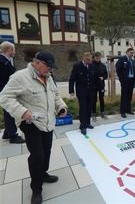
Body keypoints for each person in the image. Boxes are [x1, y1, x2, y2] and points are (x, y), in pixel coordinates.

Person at [0, 51, 68, 204]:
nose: (51, 70)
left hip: (48, 122)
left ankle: (43, 174)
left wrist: (61, 107)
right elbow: (4, 97)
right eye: (48, 67)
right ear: (37, 63)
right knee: (37, 156)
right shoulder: (20, 77)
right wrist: (22, 112)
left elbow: (55, 95)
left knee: (46, 152)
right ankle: (36, 189)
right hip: (31, 124)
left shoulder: (49, 77)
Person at [0, 41, 25, 144]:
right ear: (10, 50)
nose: (14, 52)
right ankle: (13, 136)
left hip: (5, 90)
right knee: (11, 112)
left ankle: (7, 132)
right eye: (14, 50)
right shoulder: (3, 63)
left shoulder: (4, 61)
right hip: (6, 91)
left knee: (8, 112)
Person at [69, 52, 99, 135]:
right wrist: (71, 90)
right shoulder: (77, 66)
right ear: (84, 58)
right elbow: (72, 79)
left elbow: (96, 78)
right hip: (81, 91)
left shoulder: (92, 66)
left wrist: (101, 88)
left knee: (89, 107)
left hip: (91, 91)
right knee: (83, 108)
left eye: (90, 60)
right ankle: (82, 126)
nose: (89, 62)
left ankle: (87, 123)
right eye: (87, 60)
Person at [115, 48, 135, 118]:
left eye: (133, 53)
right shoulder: (122, 59)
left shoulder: (132, 61)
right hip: (125, 80)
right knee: (124, 96)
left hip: (131, 80)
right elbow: (118, 69)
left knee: (129, 96)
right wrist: (121, 78)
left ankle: (128, 109)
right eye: (131, 52)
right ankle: (123, 111)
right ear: (127, 52)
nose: (132, 54)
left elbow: (134, 70)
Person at [92, 52, 108, 121]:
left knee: (102, 99)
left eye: (99, 58)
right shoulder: (91, 65)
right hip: (93, 85)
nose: (98, 59)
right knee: (94, 100)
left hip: (101, 85)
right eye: (96, 58)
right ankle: (94, 114)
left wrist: (103, 77)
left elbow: (106, 75)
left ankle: (102, 113)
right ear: (94, 58)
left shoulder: (103, 65)